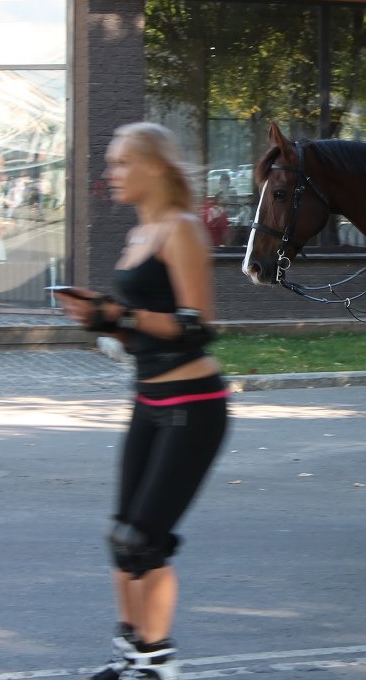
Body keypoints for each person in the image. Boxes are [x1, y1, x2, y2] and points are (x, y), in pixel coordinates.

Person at [55, 122, 229, 680]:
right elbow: (142, 330)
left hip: (194, 405)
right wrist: (100, 318)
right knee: (121, 538)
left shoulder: (181, 229)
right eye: (111, 163)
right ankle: (131, 655)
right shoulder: (137, 236)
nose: (111, 174)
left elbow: (198, 327)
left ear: (155, 167)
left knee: (144, 540)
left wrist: (116, 315)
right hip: (148, 400)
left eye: (122, 163)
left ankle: (156, 666)